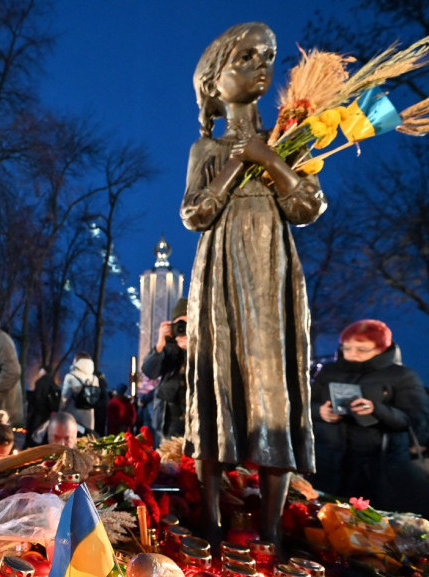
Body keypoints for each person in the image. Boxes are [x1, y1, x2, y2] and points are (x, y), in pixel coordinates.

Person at [181, 22, 328, 548]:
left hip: (270, 271)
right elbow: (194, 215)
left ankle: (271, 533)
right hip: (219, 271)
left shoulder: (292, 141)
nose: (260, 65)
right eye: (244, 58)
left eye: (266, 56)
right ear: (214, 84)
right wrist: (232, 168)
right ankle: (213, 523)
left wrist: (269, 160)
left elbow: (307, 206)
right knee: (219, 375)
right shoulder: (205, 149)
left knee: (271, 384)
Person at [309, 320, 429, 516]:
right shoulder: (329, 372)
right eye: (346, 348)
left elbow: (417, 420)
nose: (352, 354)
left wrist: (378, 410)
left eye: (362, 349)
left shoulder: (402, 376)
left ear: (382, 348)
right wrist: (320, 412)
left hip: (381, 470)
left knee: (375, 527)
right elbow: (303, 406)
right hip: (327, 465)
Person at [141, 297, 188, 445]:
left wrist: (191, 346)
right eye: (179, 324)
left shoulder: (204, 344)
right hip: (168, 420)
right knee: (169, 464)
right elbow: (149, 372)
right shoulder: (168, 348)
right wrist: (160, 344)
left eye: (187, 324)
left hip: (195, 419)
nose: (183, 328)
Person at [60, 353, 100, 433]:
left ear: (77, 361)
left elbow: (64, 398)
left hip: (73, 415)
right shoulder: (94, 378)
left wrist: (60, 413)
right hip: (89, 417)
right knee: (87, 440)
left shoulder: (70, 377)